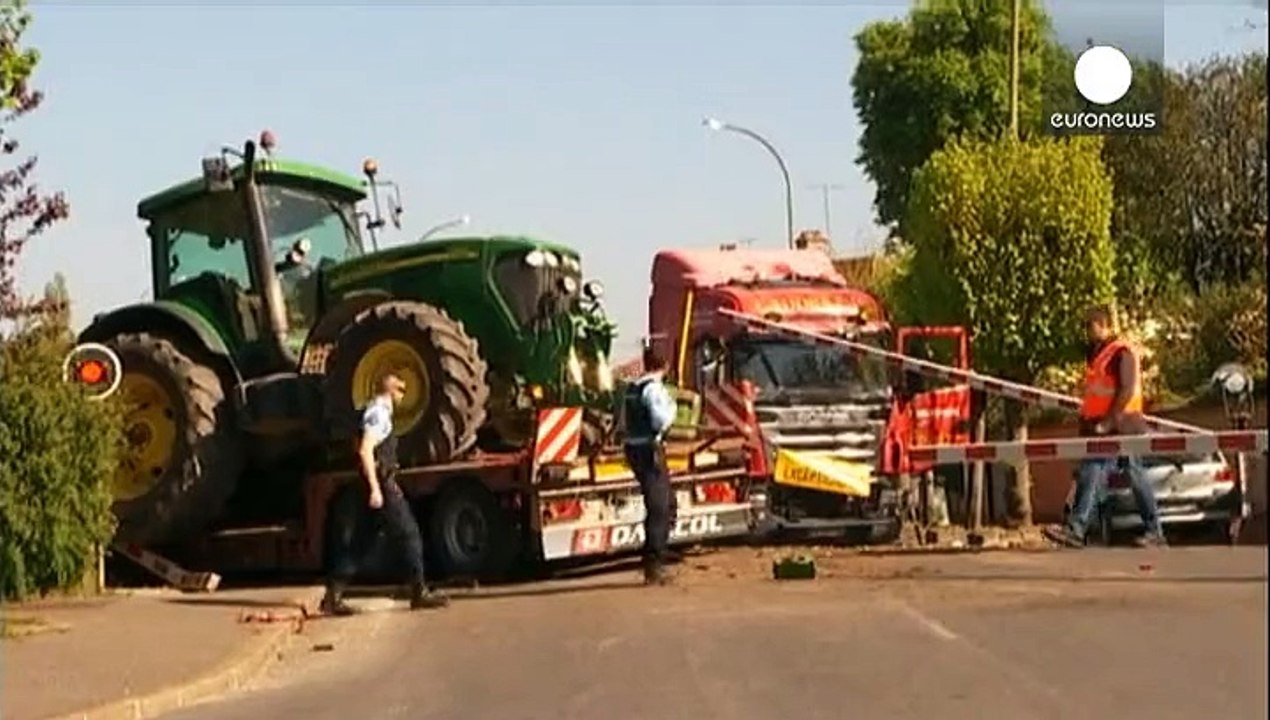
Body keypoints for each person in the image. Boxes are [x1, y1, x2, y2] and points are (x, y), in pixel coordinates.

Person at [320, 373, 450, 615]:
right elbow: (365, 451)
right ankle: (419, 592)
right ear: (393, 392)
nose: (403, 395)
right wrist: (376, 488)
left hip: (380, 483)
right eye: (401, 390)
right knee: (409, 533)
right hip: (378, 485)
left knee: (362, 541)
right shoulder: (378, 414)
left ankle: (332, 596)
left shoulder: (376, 412)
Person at [1046, 306, 1166, 549]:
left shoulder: (1121, 352)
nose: (1088, 333)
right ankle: (1155, 531)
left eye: (1091, 327)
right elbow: (1095, 394)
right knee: (1132, 474)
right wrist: (1089, 423)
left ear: (1104, 325)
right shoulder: (1099, 354)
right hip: (1110, 426)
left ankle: (1077, 529)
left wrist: (1108, 422)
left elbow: (1127, 390)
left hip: (1122, 426)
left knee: (1096, 470)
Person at [622, 349, 680, 585]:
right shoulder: (654, 389)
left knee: (665, 502)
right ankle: (654, 565)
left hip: (634, 447)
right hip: (649, 449)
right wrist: (673, 409)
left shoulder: (632, 389)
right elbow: (661, 420)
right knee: (660, 507)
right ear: (665, 366)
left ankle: (660, 552)